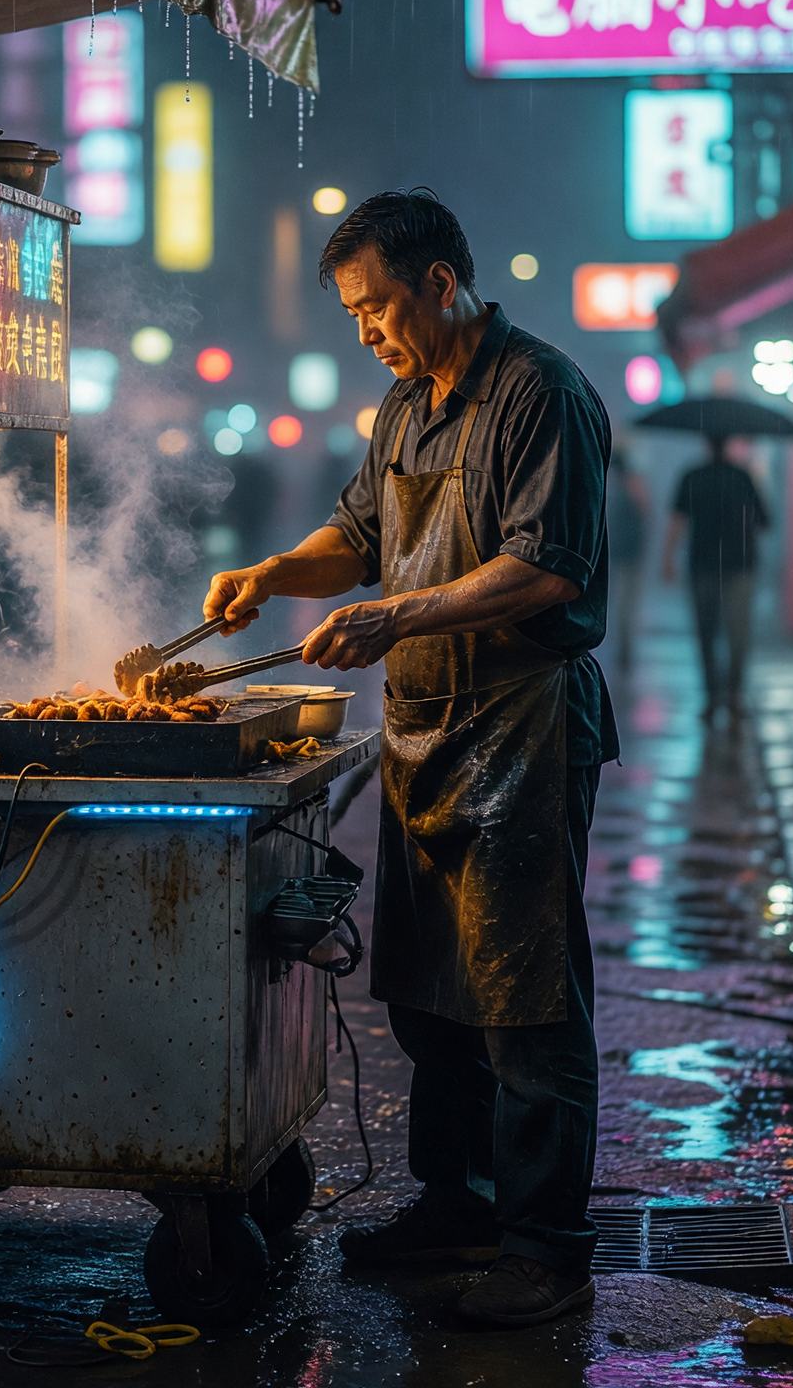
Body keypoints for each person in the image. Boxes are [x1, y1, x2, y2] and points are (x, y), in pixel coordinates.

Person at [205, 188, 613, 1330]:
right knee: (433, 991)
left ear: (439, 282)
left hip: (522, 722)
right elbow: (360, 538)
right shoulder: (404, 408)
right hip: (426, 728)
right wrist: (272, 573)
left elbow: (550, 568)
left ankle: (545, 1248)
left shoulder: (538, 392)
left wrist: (398, 616)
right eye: (351, 315)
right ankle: (458, 1200)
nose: (366, 331)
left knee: (523, 1001)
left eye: (377, 306)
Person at [661, 434, 768, 719]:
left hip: (703, 563)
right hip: (739, 564)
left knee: (706, 633)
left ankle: (712, 696)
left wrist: (668, 557)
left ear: (706, 445)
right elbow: (765, 522)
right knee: (738, 634)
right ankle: (733, 695)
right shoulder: (743, 476)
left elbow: (678, 520)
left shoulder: (693, 475)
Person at [604, 443, 649, 673]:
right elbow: (644, 517)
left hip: (615, 554)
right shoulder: (633, 486)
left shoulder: (609, 487)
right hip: (628, 555)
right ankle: (624, 649)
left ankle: (621, 648)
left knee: (619, 603)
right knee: (626, 605)